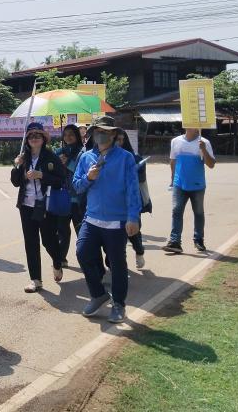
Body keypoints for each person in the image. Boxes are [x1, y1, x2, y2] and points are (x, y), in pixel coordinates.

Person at [73, 117, 141, 323]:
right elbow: (76, 186)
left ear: (113, 135)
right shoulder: (86, 158)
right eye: (97, 131)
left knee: (117, 264)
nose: (100, 135)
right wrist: (88, 178)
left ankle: (119, 304)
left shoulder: (125, 158)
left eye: (105, 131)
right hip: (92, 219)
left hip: (116, 221)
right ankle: (98, 294)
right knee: (83, 253)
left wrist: (133, 217)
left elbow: (133, 189)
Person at [10, 122, 67, 293]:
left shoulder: (51, 157)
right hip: (26, 206)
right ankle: (35, 279)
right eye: (31, 136)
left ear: (43, 139)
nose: (34, 139)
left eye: (37, 135)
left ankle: (57, 262)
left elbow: (61, 180)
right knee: (31, 242)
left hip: (45, 205)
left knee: (49, 241)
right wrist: (16, 166)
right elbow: (15, 182)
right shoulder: (23, 158)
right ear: (27, 140)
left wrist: (41, 175)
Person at [162, 128, 216, 254]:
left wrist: (203, 149)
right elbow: (173, 160)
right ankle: (175, 242)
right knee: (176, 211)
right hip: (179, 184)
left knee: (198, 212)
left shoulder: (204, 142)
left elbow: (211, 164)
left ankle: (199, 239)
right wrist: (172, 179)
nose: (194, 127)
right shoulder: (176, 141)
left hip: (197, 185)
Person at [116, 131, 152, 269]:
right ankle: (119, 264)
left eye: (121, 139)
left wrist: (132, 172)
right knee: (117, 236)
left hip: (131, 202)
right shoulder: (106, 157)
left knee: (133, 233)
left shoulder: (134, 157)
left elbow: (141, 179)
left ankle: (139, 251)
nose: (119, 143)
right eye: (116, 139)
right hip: (114, 202)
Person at [54, 124, 84, 264]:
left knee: (81, 232)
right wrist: (57, 164)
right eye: (65, 135)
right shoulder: (59, 152)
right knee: (62, 231)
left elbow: (83, 172)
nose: (68, 137)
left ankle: (85, 259)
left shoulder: (83, 152)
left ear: (77, 135)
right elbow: (52, 172)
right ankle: (61, 258)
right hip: (62, 198)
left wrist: (68, 163)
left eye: (71, 134)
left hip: (78, 199)